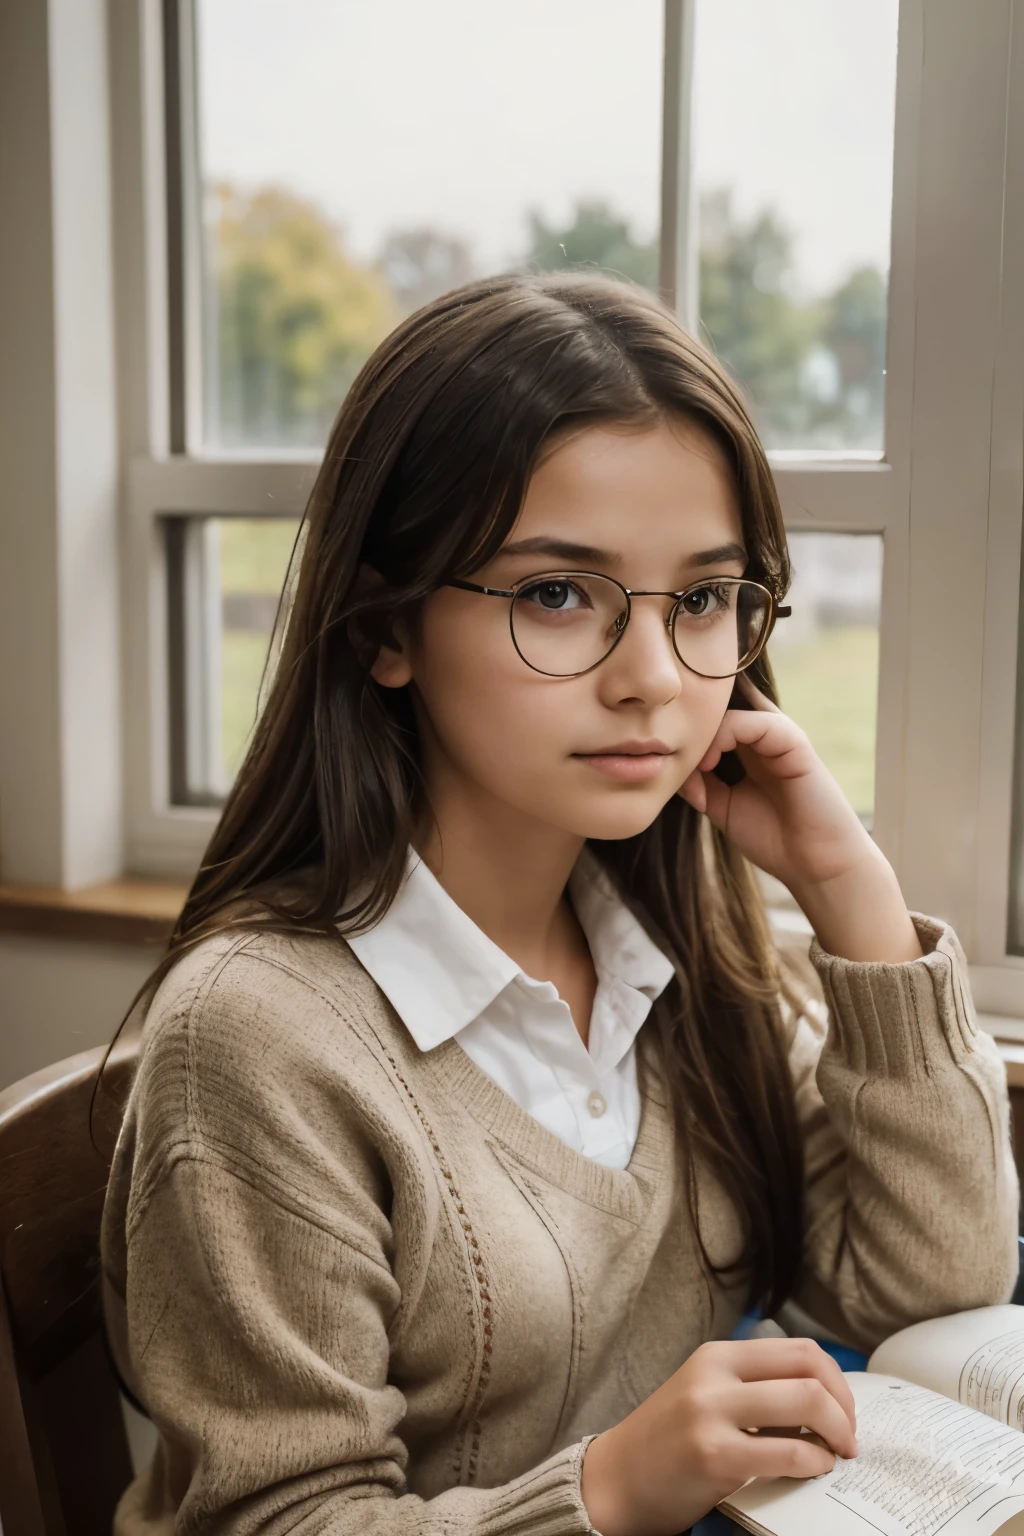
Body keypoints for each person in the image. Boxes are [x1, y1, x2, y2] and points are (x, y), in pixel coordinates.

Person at [100, 272, 1019, 1536]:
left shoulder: (682, 946)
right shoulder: (258, 1040)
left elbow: (930, 1296)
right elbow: (274, 1520)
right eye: (555, 594)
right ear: (386, 631)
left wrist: (852, 895)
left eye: (702, 599)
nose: (652, 679)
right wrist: (608, 1490)